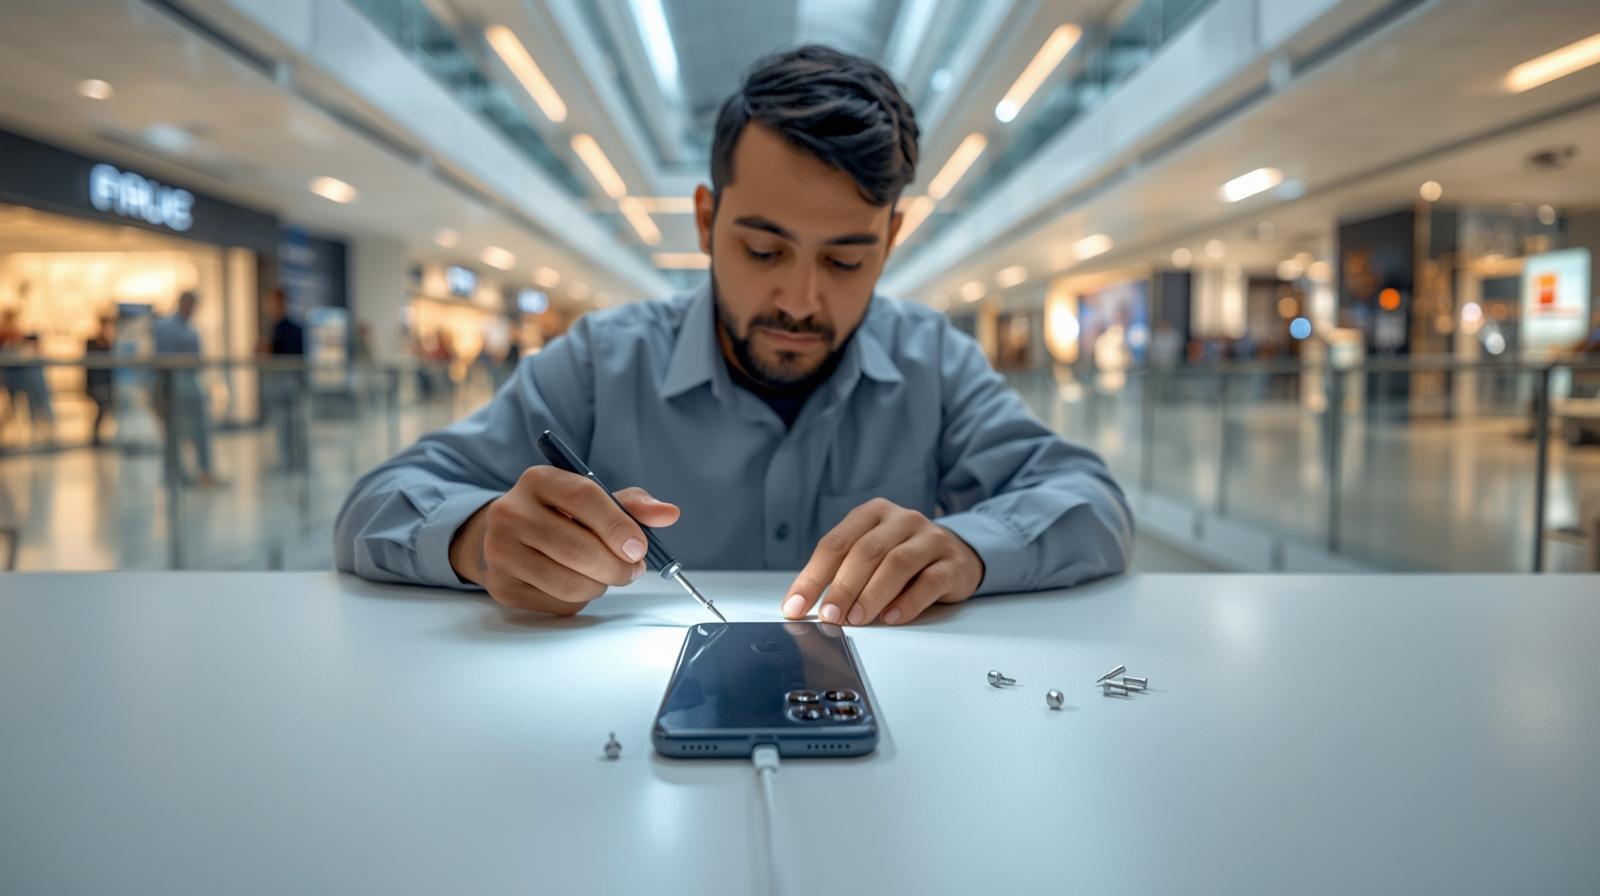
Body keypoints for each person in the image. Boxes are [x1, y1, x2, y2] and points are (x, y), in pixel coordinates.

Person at [336, 46, 1132, 625]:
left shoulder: (938, 365)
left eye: (848, 258)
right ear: (707, 221)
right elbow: (375, 505)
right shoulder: (598, 364)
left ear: (890, 241)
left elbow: (1091, 502)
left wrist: (968, 549)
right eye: (763, 249)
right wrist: (477, 539)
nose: (801, 298)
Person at [152, 290, 217, 486]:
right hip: (173, 384)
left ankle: (203, 471)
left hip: (189, 382)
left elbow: (197, 360)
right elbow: (163, 358)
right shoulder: (165, 326)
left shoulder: (191, 329)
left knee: (198, 429)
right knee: (173, 432)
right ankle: (176, 474)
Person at [259, 288, 307, 471]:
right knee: (289, 423)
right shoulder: (283, 327)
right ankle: (292, 459)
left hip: (286, 381)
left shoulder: (284, 328)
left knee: (289, 423)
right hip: (287, 381)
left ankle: (292, 461)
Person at [84, 316, 116, 445]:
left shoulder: (109, 343)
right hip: (97, 383)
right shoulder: (92, 343)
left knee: (104, 410)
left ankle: (98, 436)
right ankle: (95, 437)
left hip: (106, 382)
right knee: (101, 409)